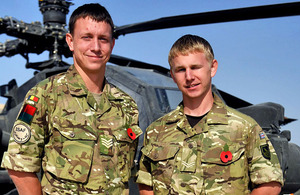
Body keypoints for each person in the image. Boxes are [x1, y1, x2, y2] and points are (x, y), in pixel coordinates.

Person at [1, 3, 142, 194]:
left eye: (103, 39)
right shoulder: (45, 95)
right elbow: (19, 165)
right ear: (70, 41)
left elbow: (133, 171)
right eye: (86, 38)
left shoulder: (127, 105)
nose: (96, 47)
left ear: (112, 44)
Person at [136, 34, 283, 195]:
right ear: (172, 75)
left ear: (212, 68)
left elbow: (270, 183)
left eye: (195, 67)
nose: (189, 77)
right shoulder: (156, 131)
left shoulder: (243, 127)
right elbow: (146, 184)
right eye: (181, 70)